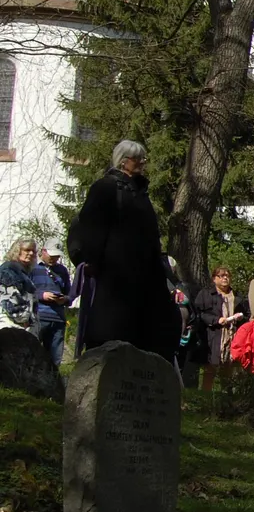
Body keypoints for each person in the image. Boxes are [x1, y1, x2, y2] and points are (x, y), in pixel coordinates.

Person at [65, 140, 179, 359]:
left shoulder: (140, 192)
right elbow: (92, 227)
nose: (143, 163)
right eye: (139, 159)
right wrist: (91, 260)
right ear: (124, 161)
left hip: (144, 274)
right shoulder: (106, 188)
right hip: (114, 273)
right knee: (112, 329)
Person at [192, 266, 249, 391]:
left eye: (227, 276)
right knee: (210, 368)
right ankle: (205, 397)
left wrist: (240, 318)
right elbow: (199, 313)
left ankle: (226, 397)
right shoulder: (206, 294)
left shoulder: (237, 296)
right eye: (221, 276)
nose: (225, 278)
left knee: (229, 367)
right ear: (214, 279)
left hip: (232, 335)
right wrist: (215, 320)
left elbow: (246, 314)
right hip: (213, 336)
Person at [31, 243, 71, 366]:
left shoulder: (62, 271)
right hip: (38, 317)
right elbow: (25, 293)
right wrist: (42, 296)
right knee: (33, 355)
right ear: (43, 251)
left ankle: (54, 383)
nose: (54, 258)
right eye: (52, 255)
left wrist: (64, 299)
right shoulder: (32, 268)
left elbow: (70, 294)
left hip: (58, 319)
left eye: (57, 256)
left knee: (54, 360)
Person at [0, 239, 39, 332]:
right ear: (17, 251)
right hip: (11, 326)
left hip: (20, 326)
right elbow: (10, 301)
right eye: (27, 250)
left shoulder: (23, 272)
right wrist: (24, 320)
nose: (31, 253)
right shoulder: (8, 270)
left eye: (33, 251)